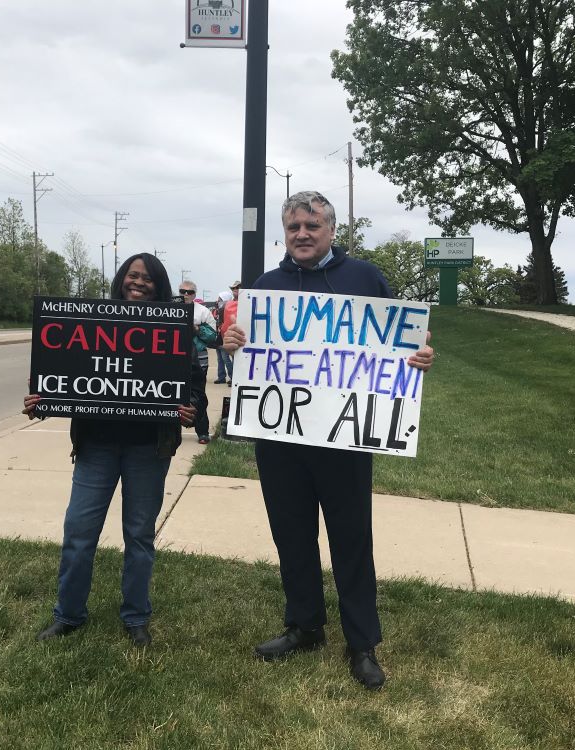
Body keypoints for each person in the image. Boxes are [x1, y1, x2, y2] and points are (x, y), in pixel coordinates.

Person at [223, 191, 435, 690]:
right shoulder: (267, 287)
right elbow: (248, 348)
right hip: (280, 439)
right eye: (294, 225)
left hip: (344, 437)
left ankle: (361, 642)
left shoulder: (364, 278)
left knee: (351, 540)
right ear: (285, 231)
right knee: (291, 535)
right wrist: (233, 342)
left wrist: (421, 355)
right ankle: (304, 626)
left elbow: (402, 341)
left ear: (331, 230)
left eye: (312, 225)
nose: (302, 233)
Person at [23, 252, 197, 648]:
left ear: (160, 286)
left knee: (139, 536)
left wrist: (191, 410)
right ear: (121, 279)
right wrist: (42, 401)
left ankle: (136, 618)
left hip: (148, 451)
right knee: (79, 532)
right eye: (133, 276)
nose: (139, 283)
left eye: (148, 278)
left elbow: (192, 385)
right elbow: (62, 378)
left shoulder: (173, 329)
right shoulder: (90, 320)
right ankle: (68, 615)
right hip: (96, 446)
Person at [178, 279, 217, 444]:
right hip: (175, 358)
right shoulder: (168, 308)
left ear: (195, 294)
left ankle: (202, 432)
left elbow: (212, 336)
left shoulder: (203, 312)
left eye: (190, 292)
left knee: (198, 394)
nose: (186, 295)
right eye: (183, 291)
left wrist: (197, 329)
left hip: (198, 358)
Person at [213, 281, 240, 383]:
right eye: (233, 288)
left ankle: (233, 377)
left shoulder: (246, 301)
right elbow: (221, 319)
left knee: (228, 357)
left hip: (236, 334)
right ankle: (223, 377)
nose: (235, 289)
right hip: (223, 334)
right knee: (222, 357)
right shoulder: (228, 305)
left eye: (237, 287)